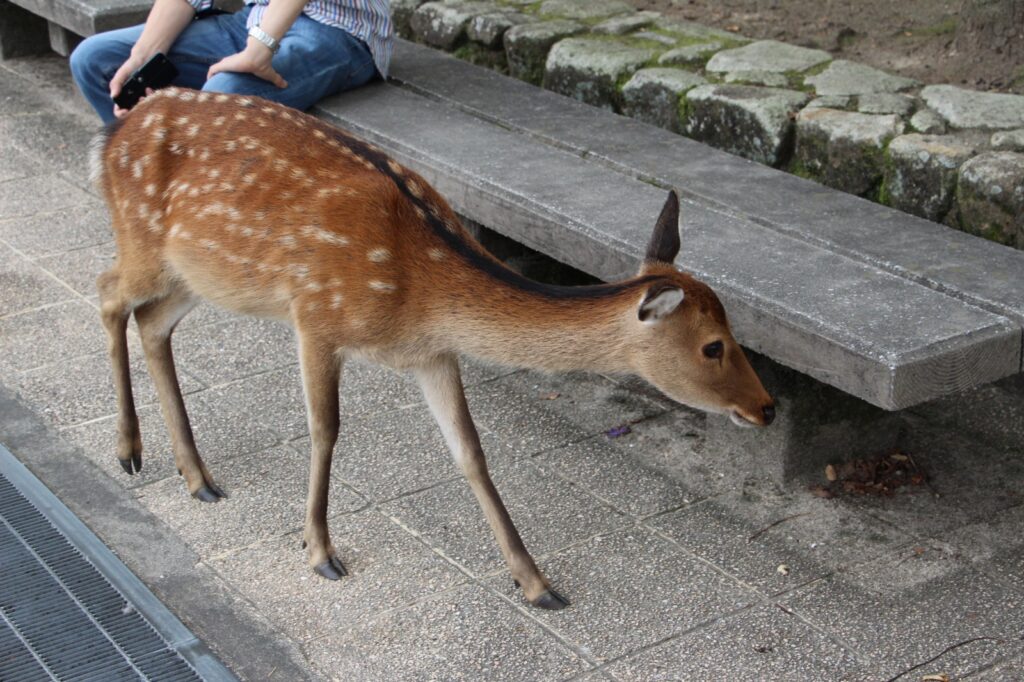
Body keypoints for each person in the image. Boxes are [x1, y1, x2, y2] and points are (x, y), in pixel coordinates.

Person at [70, 0, 392, 124]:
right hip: (254, 18)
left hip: (338, 31)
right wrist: (142, 57)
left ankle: (202, 227)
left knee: (223, 94)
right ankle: (153, 207)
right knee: (95, 60)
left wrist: (259, 48)